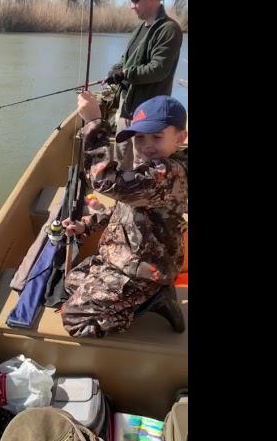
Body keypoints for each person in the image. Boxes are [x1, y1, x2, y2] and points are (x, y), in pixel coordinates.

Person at [60, 92, 188, 338]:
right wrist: (86, 224)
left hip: (143, 270)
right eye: (139, 138)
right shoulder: (150, 170)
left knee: (74, 318)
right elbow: (125, 209)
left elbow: (105, 182)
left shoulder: (168, 173)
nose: (147, 145)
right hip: (120, 258)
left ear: (180, 138)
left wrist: (94, 123)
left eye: (157, 137)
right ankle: (152, 297)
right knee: (71, 281)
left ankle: (150, 297)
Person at [104, 0, 183, 169]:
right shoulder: (139, 30)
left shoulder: (169, 29)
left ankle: (140, 197)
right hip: (127, 107)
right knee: (122, 155)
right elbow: (126, 61)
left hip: (149, 113)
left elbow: (158, 69)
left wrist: (125, 74)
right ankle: (123, 195)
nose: (131, 5)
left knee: (144, 163)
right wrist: (115, 70)